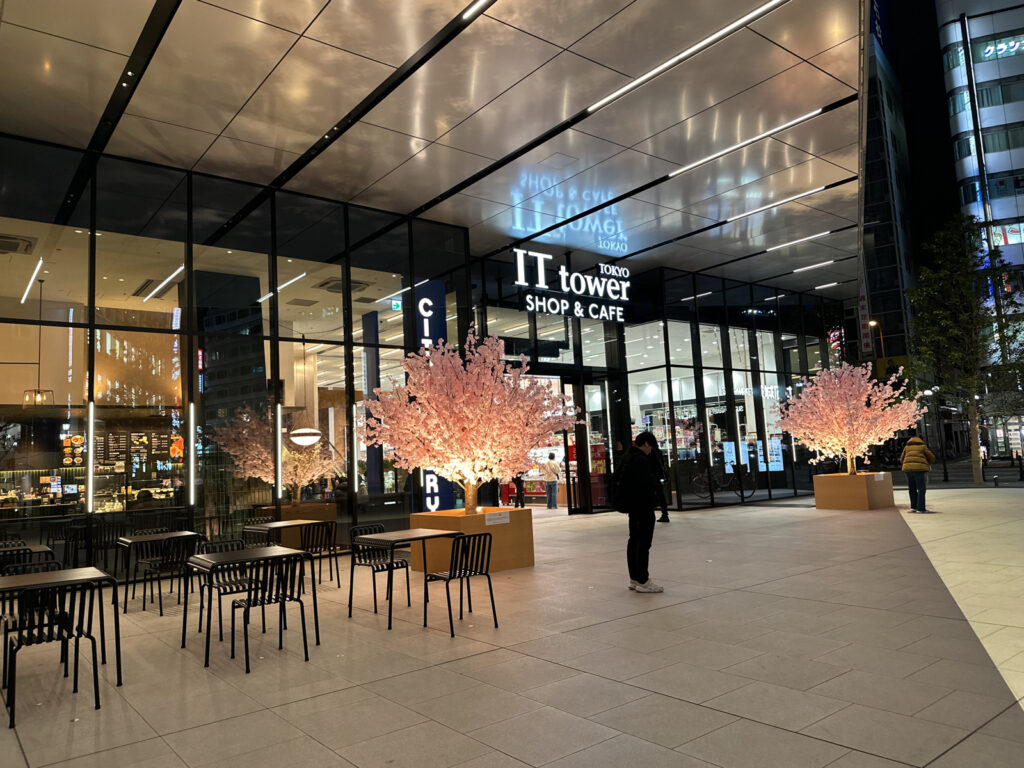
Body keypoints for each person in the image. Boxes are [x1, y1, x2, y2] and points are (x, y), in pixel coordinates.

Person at [615, 431, 663, 593]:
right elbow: (645, 484)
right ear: (647, 444)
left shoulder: (627, 457)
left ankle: (634, 578)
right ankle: (643, 580)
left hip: (632, 507)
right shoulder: (641, 460)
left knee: (634, 541)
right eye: (651, 447)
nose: (651, 450)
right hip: (643, 506)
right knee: (643, 544)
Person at [901, 433, 936, 513]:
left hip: (908, 469)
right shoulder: (923, 446)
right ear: (921, 439)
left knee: (912, 488)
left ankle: (914, 507)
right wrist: (927, 462)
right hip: (919, 469)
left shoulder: (907, 447)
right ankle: (921, 508)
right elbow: (932, 457)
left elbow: (902, 459)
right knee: (921, 488)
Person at [651, 442, 670, 523]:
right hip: (659, 477)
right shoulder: (658, 452)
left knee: (652, 494)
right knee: (661, 494)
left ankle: (662, 514)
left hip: (653, 477)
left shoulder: (650, 453)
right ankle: (664, 513)